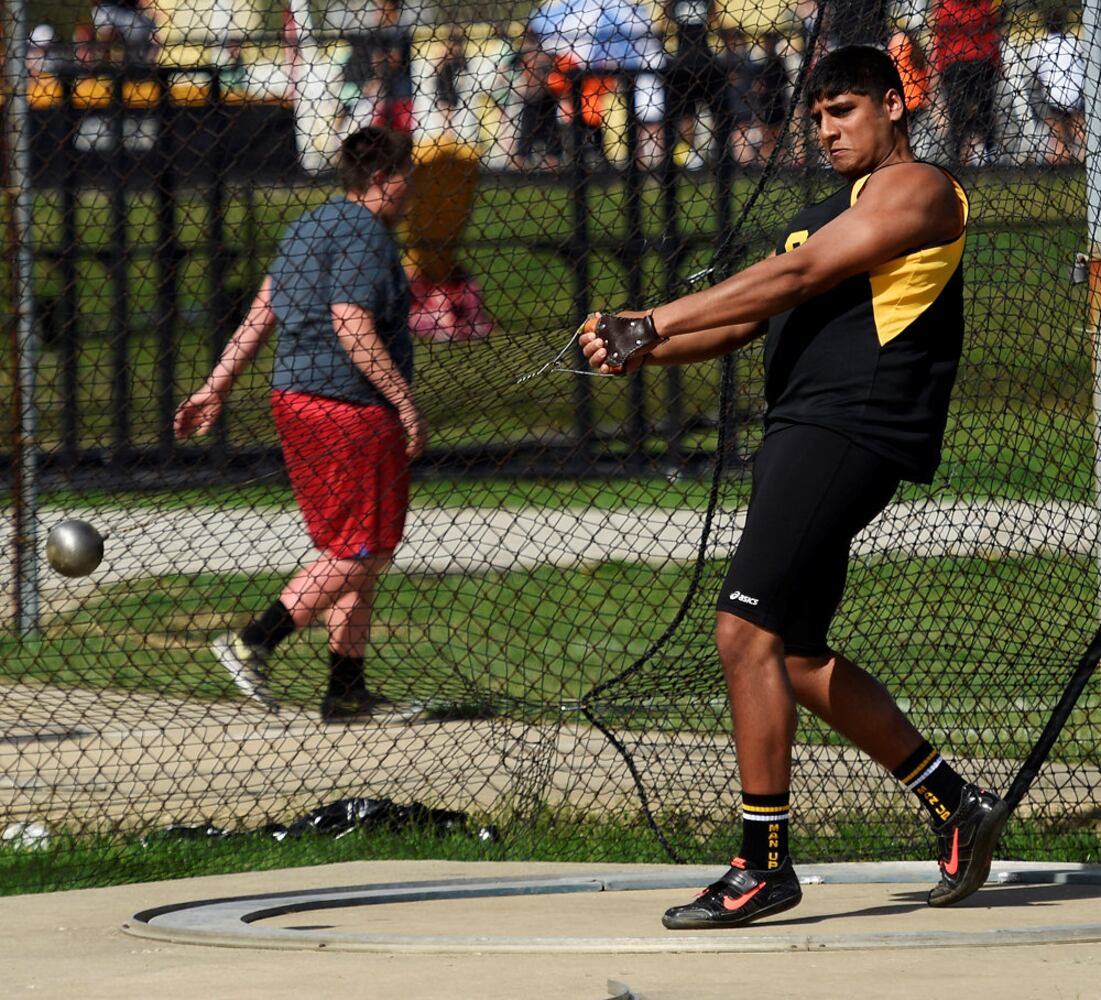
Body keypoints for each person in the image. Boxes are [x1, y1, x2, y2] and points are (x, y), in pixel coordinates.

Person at [579, 45, 1008, 927]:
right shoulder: (820, 212)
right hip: (806, 430)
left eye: (843, 111)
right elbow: (747, 318)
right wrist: (637, 347)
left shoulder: (918, 188)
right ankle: (955, 805)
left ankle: (761, 863)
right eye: (816, 116)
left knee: (741, 630)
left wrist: (652, 319)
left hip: (849, 426)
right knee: (797, 656)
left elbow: (798, 276)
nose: (825, 130)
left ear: (894, 105)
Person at [174, 128, 424, 724]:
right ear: (382, 179)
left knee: (351, 547)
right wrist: (404, 400)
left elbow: (263, 312)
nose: (412, 189)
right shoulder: (368, 235)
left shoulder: (306, 227)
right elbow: (351, 324)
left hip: (294, 401)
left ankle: (345, 690)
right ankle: (254, 641)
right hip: (349, 408)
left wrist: (217, 385)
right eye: (406, 177)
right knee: (367, 549)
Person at [929, 0, 1003, 165]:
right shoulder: (984, 4)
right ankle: (984, 153)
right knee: (981, 111)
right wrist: (997, 62)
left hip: (956, 62)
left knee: (961, 114)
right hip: (979, 60)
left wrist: (938, 68)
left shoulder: (943, 5)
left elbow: (939, 39)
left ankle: (962, 157)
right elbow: (993, 35)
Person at [1024, 7, 1085, 165]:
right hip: (1076, 94)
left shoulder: (1040, 44)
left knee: (1057, 132)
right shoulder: (1073, 41)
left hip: (1054, 95)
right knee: (1079, 129)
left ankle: (1061, 158)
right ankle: (1083, 157)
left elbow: (1035, 74)